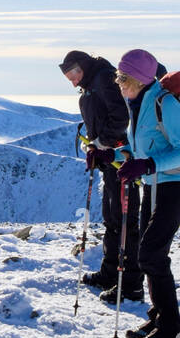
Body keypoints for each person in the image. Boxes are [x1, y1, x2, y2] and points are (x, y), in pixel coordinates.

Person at [111, 48, 180, 338]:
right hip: (153, 184)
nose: (119, 84)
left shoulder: (164, 103)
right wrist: (113, 155)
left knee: (152, 253)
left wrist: (147, 165)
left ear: (138, 78)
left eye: (123, 78)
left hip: (175, 184)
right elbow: (143, 149)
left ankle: (171, 329)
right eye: (118, 78)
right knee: (147, 254)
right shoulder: (142, 103)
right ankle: (159, 317)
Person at [60, 50, 142, 303]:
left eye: (74, 73)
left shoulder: (105, 79)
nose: (73, 80)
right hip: (110, 160)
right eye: (67, 77)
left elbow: (120, 117)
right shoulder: (90, 85)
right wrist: (95, 147)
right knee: (112, 218)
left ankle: (130, 283)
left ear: (83, 66)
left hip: (122, 160)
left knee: (124, 219)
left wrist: (103, 144)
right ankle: (109, 273)